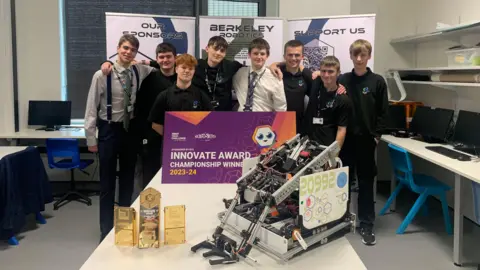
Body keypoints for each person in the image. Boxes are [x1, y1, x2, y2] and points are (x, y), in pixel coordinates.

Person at [84, 34, 155, 241]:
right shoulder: (101, 74)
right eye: (125, 48)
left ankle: (123, 227)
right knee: (107, 184)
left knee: (127, 181)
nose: (128, 52)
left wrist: (142, 61)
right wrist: (91, 139)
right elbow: (90, 108)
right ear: (117, 48)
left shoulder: (138, 70)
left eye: (132, 50)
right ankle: (105, 230)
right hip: (108, 130)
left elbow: (161, 66)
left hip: (130, 131)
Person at [104, 36, 283, 111]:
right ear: (207, 49)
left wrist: (276, 64)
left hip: (225, 118)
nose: (218, 53)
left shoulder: (233, 67)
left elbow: (256, 66)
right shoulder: (195, 64)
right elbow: (169, 63)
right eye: (215, 49)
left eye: (222, 50)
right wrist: (138, 61)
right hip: (199, 115)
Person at [338, 39, 389, 246]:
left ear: (369, 56)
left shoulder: (377, 81)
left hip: (367, 141)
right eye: (355, 55)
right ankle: (340, 221)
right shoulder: (342, 80)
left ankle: (366, 224)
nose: (359, 59)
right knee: (343, 183)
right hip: (346, 141)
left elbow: (383, 112)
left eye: (363, 55)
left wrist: (377, 136)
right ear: (350, 56)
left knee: (366, 183)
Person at [134, 42, 177, 188]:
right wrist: (143, 136)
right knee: (150, 174)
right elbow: (140, 109)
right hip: (152, 134)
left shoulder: (182, 78)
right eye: (161, 57)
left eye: (168, 57)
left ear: (175, 58)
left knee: (175, 175)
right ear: (157, 59)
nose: (165, 60)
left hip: (178, 136)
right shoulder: (149, 80)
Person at [148, 54, 214, 136]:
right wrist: (172, 138)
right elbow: (156, 124)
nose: (187, 71)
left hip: (195, 145)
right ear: (176, 69)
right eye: (183, 67)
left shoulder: (201, 95)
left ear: (194, 72)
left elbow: (211, 120)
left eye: (191, 68)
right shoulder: (164, 95)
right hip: (172, 146)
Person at [301, 56, 351, 147]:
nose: (326, 75)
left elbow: (341, 129)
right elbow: (296, 65)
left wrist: (334, 153)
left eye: (331, 71)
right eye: (323, 71)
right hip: (306, 143)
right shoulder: (315, 82)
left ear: (338, 73)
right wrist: (274, 65)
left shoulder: (343, 99)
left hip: (326, 147)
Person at [232, 38, 287, 112]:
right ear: (249, 55)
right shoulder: (239, 74)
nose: (259, 57)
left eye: (262, 54)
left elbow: (281, 107)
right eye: (255, 53)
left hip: (265, 121)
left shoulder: (275, 77)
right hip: (241, 119)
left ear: (267, 56)